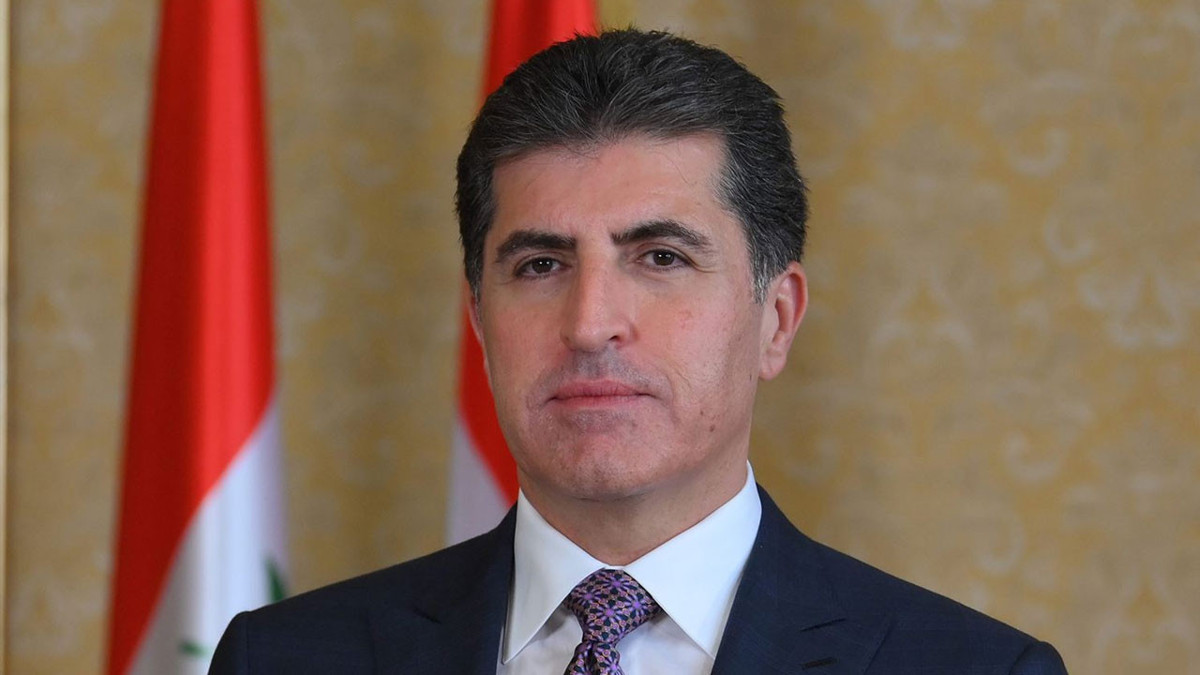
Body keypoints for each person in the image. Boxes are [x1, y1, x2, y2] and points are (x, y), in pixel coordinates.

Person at [211, 29, 1068, 674]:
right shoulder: (281, 658)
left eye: (660, 258)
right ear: (479, 318)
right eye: (540, 265)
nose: (590, 324)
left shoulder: (976, 668)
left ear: (776, 319)